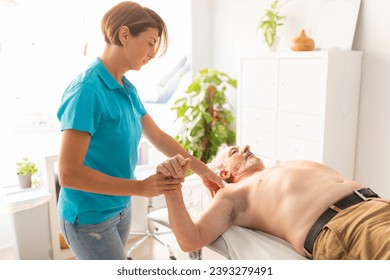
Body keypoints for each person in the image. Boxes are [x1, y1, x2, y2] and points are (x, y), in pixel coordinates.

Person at [56, 1, 223, 260]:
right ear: (124, 35)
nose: (153, 52)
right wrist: (140, 188)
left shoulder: (127, 89)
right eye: (150, 42)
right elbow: (68, 173)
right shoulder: (87, 90)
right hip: (88, 217)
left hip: (120, 207)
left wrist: (204, 171)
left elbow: (158, 136)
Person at [157, 144, 390, 260]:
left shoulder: (279, 168)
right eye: (236, 151)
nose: (247, 148)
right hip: (346, 228)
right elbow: (190, 240)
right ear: (225, 173)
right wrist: (172, 189)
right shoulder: (233, 193)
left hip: (377, 205)